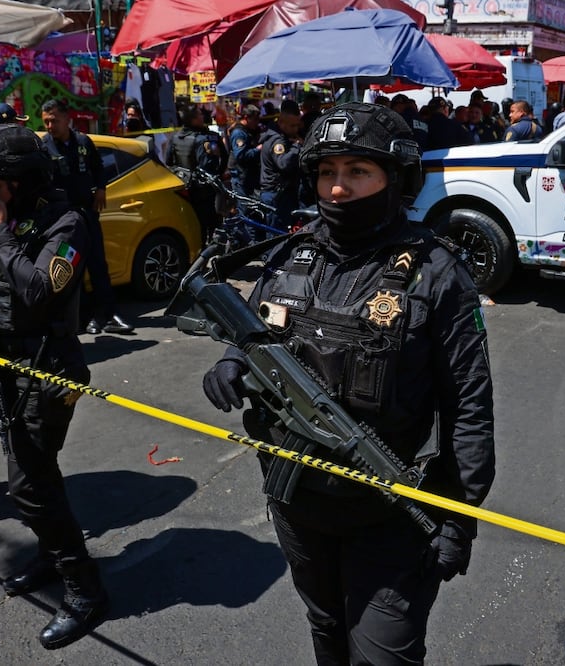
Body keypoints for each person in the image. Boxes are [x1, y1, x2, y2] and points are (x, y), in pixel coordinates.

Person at [202, 102, 496, 665]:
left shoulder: (437, 273)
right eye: (326, 172)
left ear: (396, 178)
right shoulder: (292, 253)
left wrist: (461, 515)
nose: (337, 190)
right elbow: (253, 333)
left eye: (358, 172)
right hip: (296, 502)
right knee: (325, 626)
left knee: (385, 657)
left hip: (390, 517)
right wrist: (232, 362)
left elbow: (469, 404)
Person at [0, 124, 109, 649]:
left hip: (48, 368)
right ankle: (50, 557)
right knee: (36, 476)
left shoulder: (66, 223)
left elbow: (40, 290)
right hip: (3, 363)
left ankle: (84, 591)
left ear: (14, 183)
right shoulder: (3, 218)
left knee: (29, 484)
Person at [41, 99, 133, 336]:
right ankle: (82, 318)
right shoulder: (44, 146)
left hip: (87, 214)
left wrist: (101, 188)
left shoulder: (83, 142)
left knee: (98, 265)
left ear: (66, 119)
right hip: (62, 221)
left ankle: (108, 314)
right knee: (70, 269)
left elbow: (98, 168)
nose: (50, 126)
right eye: (46, 121)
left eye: (54, 120)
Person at [167, 106, 224, 245]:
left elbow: (169, 163)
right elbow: (209, 164)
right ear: (193, 119)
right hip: (203, 189)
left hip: (183, 188)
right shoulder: (203, 139)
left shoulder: (175, 138)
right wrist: (219, 174)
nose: (202, 117)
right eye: (199, 115)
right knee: (208, 223)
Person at [258, 105, 302, 232]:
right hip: (275, 195)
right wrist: (296, 147)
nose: (296, 129)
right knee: (276, 235)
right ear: (282, 123)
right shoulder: (277, 141)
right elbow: (283, 164)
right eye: (293, 126)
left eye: (297, 125)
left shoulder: (283, 137)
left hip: (280, 193)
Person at [226, 105, 262, 205]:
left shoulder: (250, 130)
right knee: (244, 207)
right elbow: (241, 156)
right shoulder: (239, 133)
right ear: (246, 118)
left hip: (249, 175)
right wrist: (258, 149)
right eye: (255, 119)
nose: (257, 122)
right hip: (241, 176)